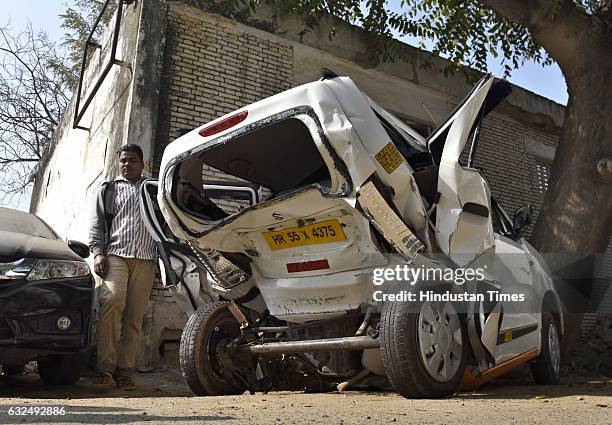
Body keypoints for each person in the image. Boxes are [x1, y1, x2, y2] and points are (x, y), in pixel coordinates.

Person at [89, 144, 157, 390]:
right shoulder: (108, 190)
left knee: (135, 316)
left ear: (142, 164)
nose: (127, 164)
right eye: (124, 160)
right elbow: (97, 224)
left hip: (147, 259)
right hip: (115, 256)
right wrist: (98, 253)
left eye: (133, 160)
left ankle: (125, 370)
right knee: (112, 304)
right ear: (119, 163)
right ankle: (104, 369)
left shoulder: (152, 190)